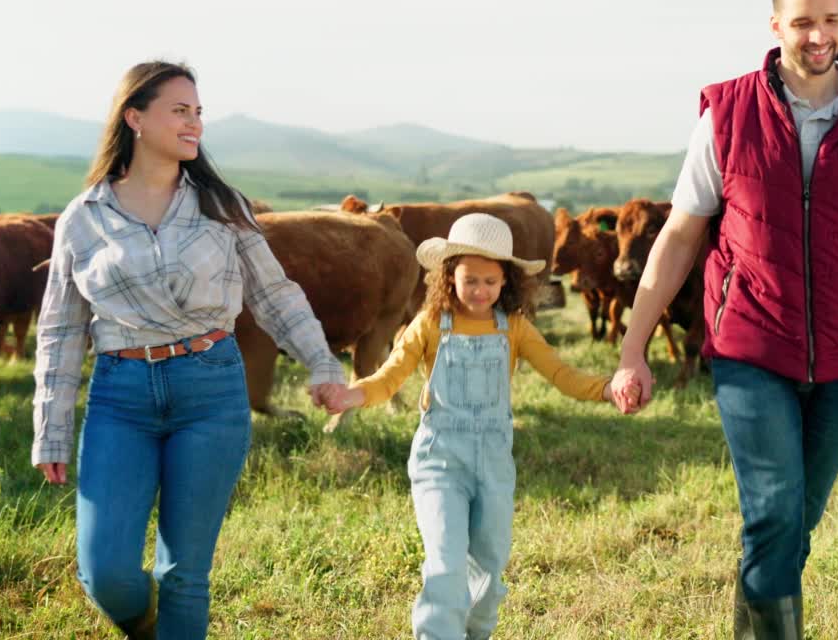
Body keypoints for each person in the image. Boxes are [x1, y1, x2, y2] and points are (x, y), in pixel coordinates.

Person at [609, 0, 838, 637]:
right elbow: (679, 236)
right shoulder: (727, 112)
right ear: (775, 26)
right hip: (750, 345)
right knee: (772, 514)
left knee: (793, 524)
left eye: (830, 20)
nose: (817, 37)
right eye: (802, 23)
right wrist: (632, 348)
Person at [32, 61, 347, 639]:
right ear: (135, 117)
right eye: (180, 110)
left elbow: (276, 295)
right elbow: (59, 330)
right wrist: (50, 429)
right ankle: (144, 623)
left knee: (185, 574)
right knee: (104, 573)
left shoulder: (221, 205)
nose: (194, 122)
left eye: (198, 111)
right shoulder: (84, 217)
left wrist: (323, 365)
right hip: (120, 396)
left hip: (211, 388)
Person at [324, 213, 622, 640]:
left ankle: (475, 632)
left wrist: (607, 389)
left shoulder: (515, 328)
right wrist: (352, 395)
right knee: (445, 565)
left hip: (494, 464)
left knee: (488, 568)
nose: (480, 291)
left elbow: (560, 373)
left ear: (506, 283)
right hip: (439, 459)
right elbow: (389, 377)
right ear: (449, 276)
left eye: (490, 281)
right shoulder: (428, 325)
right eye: (470, 280)